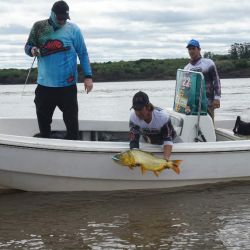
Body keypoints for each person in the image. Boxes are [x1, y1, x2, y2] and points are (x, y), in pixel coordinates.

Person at [24, 0, 93, 140]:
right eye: (59, 17)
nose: (62, 21)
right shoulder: (38, 27)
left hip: (67, 87)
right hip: (45, 86)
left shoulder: (74, 30)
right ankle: (46, 148)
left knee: (72, 126)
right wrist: (32, 50)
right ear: (52, 13)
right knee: (44, 126)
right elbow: (27, 47)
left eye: (65, 18)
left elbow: (83, 53)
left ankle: (73, 147)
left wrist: (88, 76)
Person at [129, 91, 181, 161]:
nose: (138, 113)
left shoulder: (162, 116)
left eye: (140, 109)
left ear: (148, 107)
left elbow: (168, 140)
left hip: (172, 139)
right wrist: (136, 158)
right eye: (135, 109)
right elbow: (134, 140)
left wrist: (165, 161)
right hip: (148, 140)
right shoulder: (133, 117)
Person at [184, 39, 221, 120]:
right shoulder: (187, 68)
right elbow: (186, 88)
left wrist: (217, 98)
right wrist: (185, 104)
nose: (191, 51)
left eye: (193, 48)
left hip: (208, 102)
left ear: (199, 49)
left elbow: (216, 81)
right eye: (189, 49)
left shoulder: (208, 63)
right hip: (193, 104)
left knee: (208, 126)